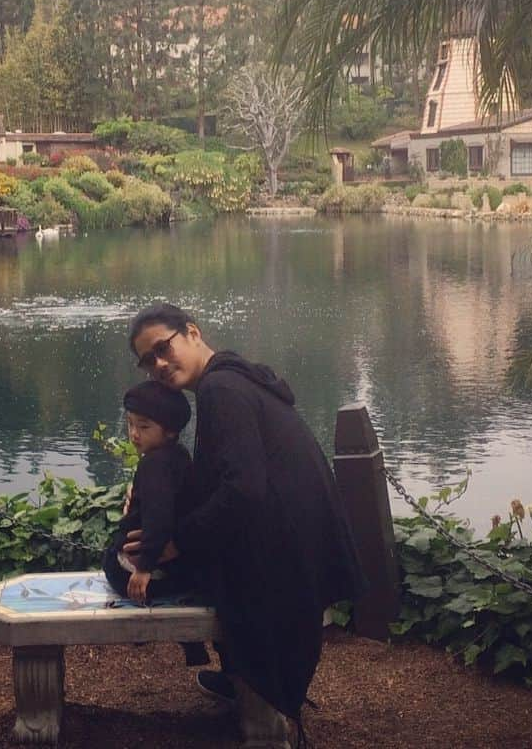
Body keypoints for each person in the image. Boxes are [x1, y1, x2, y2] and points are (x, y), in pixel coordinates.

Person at [124, 302, 366, 740]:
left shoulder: (222, 391)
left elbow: (243, 490)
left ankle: (260, 695)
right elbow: (230, 477)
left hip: (285, 558)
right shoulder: (232, 379)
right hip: (302, 543)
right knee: (200, 554)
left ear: (192, 332)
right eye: (147, 360)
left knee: (167, 568)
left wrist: (176, 541)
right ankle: (244, 679)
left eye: (163, 348)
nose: (158, 364)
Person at [102, 380, 211, 667]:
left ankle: (143, 630)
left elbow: (158, 516)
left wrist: (144, 568)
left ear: (170, 430)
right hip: (180, 568)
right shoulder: (180, 456)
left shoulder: (154, 464)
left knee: (110, 558)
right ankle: (190, 641)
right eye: (130, 425)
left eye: (145, 427)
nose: (134, 434)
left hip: (147, 572)